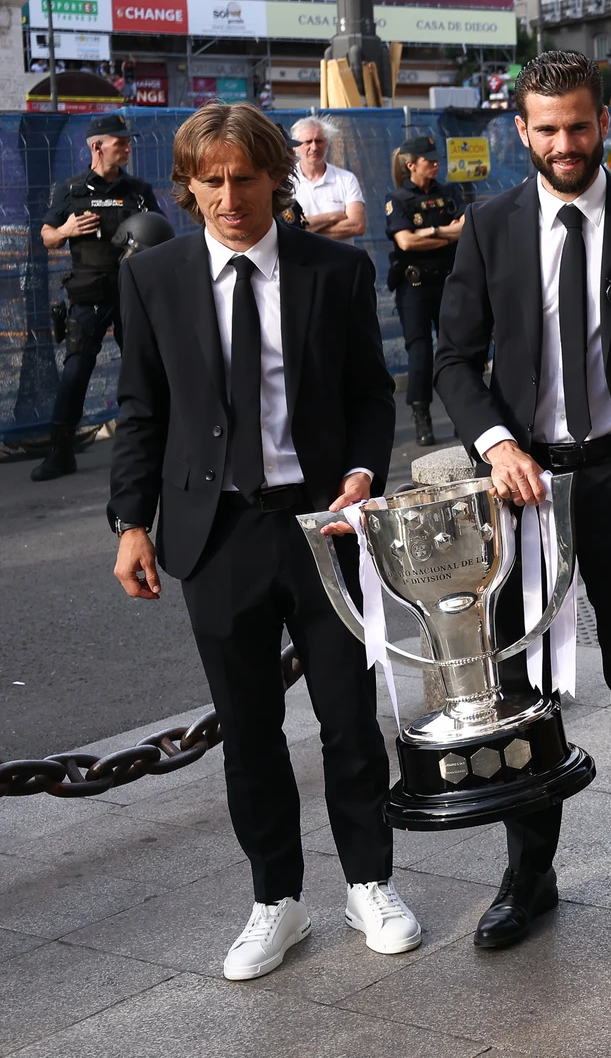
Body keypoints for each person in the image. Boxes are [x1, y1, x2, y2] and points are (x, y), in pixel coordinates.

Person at [106, 101, 415, 981]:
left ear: (279, 176)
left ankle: (370, 879)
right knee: (248, 730)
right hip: (215, 531)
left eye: (246, 178)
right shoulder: (156, 277)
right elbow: (141, 409)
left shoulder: (336, 270)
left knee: (350, 720)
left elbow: (371, 395)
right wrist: (132, 522)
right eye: (212, 181)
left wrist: (363, 473)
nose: (230, 197)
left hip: (322, 526)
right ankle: (276, 899)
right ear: (189, 185)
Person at [433, 50, 611, 950]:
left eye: (579, 125)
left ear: (603, 120)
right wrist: (496, 442)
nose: (565, 143)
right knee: (522, 693)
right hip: (523, 487)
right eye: (546, 130)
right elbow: (453, 361)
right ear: (521, 132)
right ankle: (529, 874)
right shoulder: (488, 226)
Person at [33, 114, 157, 482]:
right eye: (120, 142)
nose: (127, 147)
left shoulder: (138, 190)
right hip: (89, 291)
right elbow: (47, 236)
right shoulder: (69, 190)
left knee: (144, 367)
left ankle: (154, 440)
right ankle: (60, 451)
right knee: (76, 370)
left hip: (133, 289)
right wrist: (66, 229)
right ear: (96, 146)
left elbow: (159, 230)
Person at [385, 135, 464, 447]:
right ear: (410, 165)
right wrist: (448, 235)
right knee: (419, 353)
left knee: (457, 348)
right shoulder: (399, 198)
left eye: (436, 158)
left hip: (449, 280)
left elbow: (465, 227)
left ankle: (462, 411)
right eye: (428, 159)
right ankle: (421, 415)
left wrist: (431, 232)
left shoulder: (450, 192)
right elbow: (405, 242)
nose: (435, 163)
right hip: (414, 284)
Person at [288, 115, 367, 244]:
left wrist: (304, 231)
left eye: (319, 141)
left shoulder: (346, 179)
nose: (314, 147)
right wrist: (333, 216)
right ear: (296, 146)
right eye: (308, 142)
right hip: (302, 262)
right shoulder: (287, 181)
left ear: (327, 143)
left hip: (341, 262)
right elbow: (286, 228)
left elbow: (357, 225)